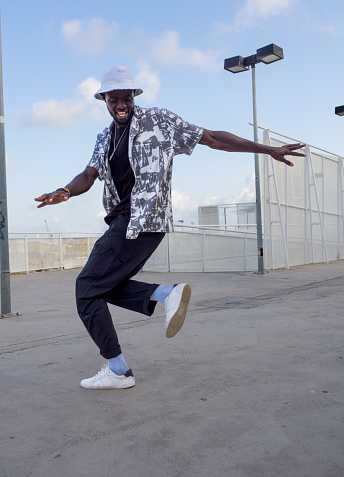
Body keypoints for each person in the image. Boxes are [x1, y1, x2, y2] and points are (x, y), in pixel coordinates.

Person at [35, 65, 304, 390]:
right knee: (101, 286)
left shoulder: (158, 121)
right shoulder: (104, 138)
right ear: (103, 99)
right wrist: (64, 191)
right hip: (126, 220)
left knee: (85, 288)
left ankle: (118, 370)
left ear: (134, 96)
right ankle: (164, 295)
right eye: (114, 100)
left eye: (126, 98)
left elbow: (213, 139)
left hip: (143, 215)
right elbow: (89, 175)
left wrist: (267, 149)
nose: (121, 105)